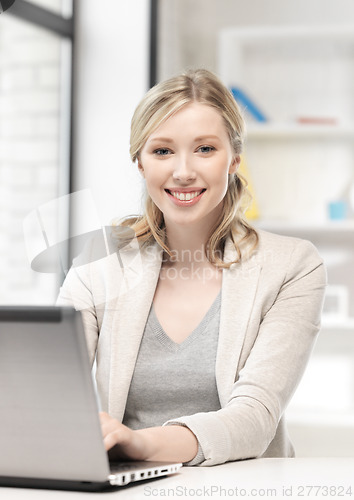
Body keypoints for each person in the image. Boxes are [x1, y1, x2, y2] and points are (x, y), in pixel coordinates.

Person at [57, 69, 326, 466]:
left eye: (204, 149)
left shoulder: (293, 266)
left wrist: (141, 443)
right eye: (162, 151)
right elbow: (50, 384)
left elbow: (254, 418)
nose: (183, 171)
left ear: (234, 158)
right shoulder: (100, 260)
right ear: (140, 163)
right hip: (125, 486)